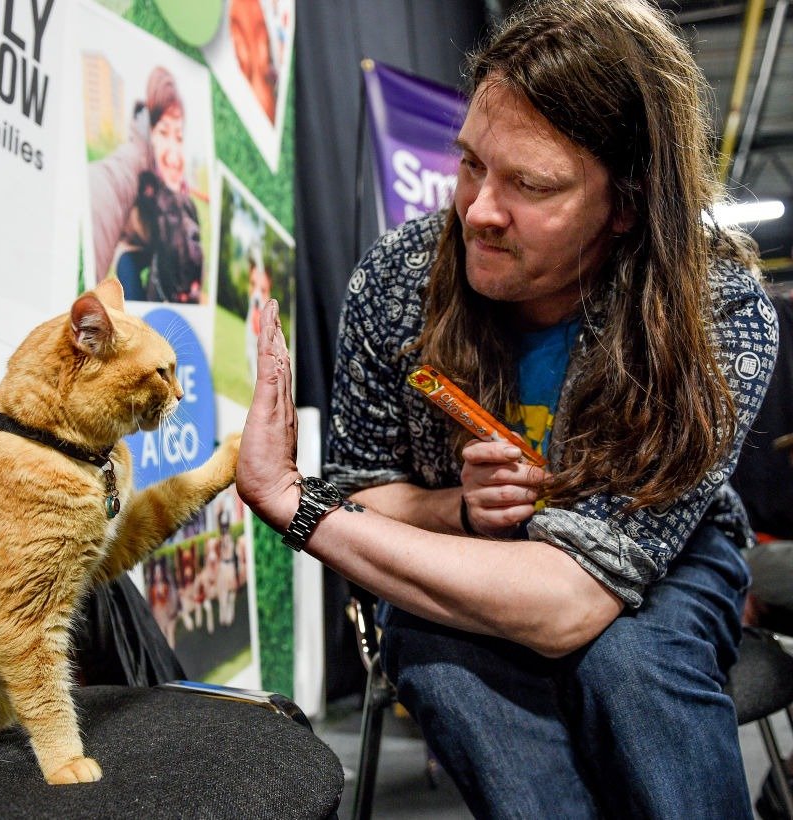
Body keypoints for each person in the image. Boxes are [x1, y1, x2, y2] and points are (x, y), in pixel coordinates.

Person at [235, 1, 780, 817]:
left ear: (626, 205)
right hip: (456, 553)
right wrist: (455, 508)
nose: (478, 210)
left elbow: (567, 605)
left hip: (659, 553)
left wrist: (290, 503)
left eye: (530, 184)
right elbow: (361, 491)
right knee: (456, 678)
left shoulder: (713, 313)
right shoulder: (399, 281)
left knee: (633, 668)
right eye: (470, 166)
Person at [89, 66, 203, 302]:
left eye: (179, 137)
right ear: (150, 133)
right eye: (163, 132)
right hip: (136, 246)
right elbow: (109, 184)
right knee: (127, 268)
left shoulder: (179, 181)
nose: (173, 152)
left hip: (167, 248)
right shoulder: (137, 158)